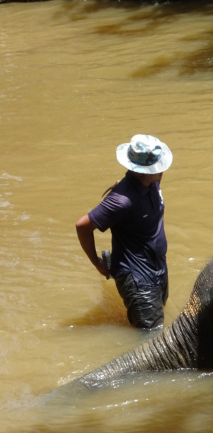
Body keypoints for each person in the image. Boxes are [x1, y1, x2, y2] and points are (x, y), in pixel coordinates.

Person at [76, 134, 173, 330]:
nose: (163, 169)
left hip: (157, 268)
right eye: (157, 167)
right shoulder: (121, 200)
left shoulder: (152, 182)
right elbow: (82, 226)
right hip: (139, 279)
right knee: (149, 336)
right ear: (143, 172)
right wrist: (97, 263)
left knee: (156, 322)